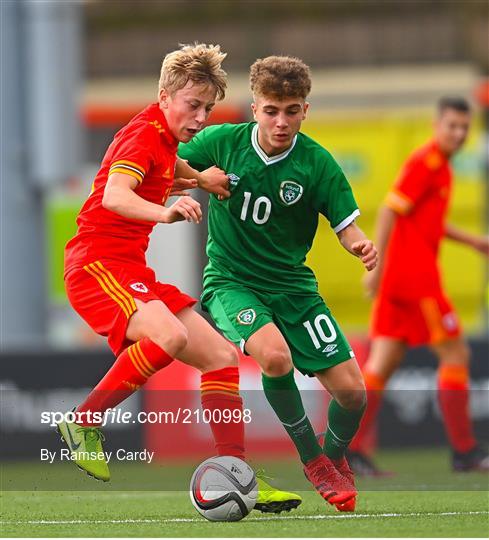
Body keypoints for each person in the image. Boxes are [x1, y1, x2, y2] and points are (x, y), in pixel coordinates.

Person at [59, 43, 301, 514]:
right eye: (193, 105)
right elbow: (115, 196)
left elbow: (167, 168)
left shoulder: (162, 138)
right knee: (168, 336)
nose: (201, 117)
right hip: (96, 265)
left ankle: (237, 470)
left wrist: (201, 178)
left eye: (208, 108)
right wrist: (166, 212)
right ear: (165, 95)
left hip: (129, 269)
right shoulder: (143, 137)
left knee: (219, 356)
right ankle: (83, 422)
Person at [178, 55, 378, 512]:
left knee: (353, 393)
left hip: (293, 288)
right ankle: (314, 461)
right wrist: (198, 178)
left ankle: (334, 453)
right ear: (254, 108)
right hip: (232, 281)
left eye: (291, 111)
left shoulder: (317, 164)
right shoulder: (221, 142)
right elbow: (162, 165)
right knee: (273, 355)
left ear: (305, 110)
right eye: (271, 110)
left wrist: (360, 244)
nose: (281, 122)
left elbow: (346, 226)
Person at [347, 97, 489, 475]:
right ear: (436, 124)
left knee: (381, 364)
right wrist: (375, 267)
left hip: (401, 281)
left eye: (464, 128)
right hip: (416, 280)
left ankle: (351, 450)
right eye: (451, 126)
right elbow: (392, 210)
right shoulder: (426, 162)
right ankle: (465, 451)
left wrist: (472, 241)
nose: (458, 134)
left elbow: (426, 222)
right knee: (456, 355)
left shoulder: (442, 167)